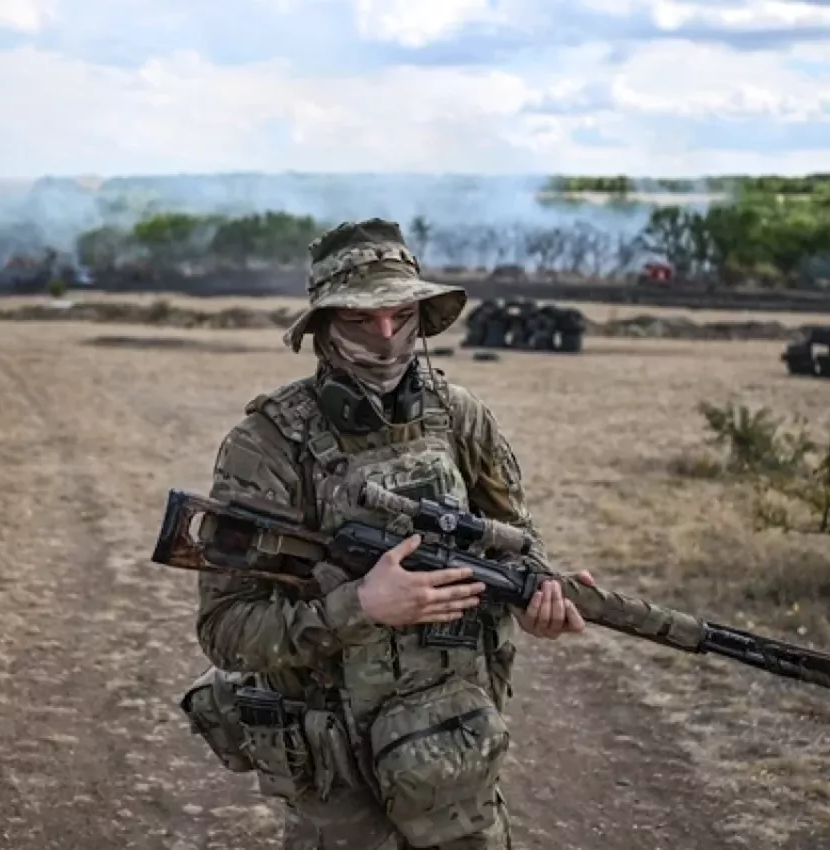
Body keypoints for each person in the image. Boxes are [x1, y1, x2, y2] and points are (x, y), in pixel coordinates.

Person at [191, 218, 594, 850]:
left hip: (455, 753)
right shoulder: (264, 446)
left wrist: (539, 594)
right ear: (323, 326)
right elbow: (225, 630)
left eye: (400, 313)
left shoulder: (459, 416)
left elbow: (516, 536)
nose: (384, 336)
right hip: (336, 781)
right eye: (359, 319)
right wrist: (361, 607)